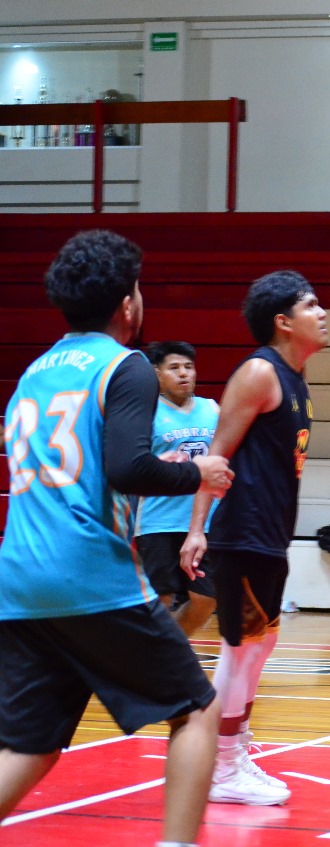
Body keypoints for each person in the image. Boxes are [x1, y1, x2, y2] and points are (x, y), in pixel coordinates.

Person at [0, 229, 233, 847]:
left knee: (29, 744)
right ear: (128, 303)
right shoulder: (123, 365)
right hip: (88, 572)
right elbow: (129, 467)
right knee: (198, 709)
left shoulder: (33, 372)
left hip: (19, 578)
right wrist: (199, 473)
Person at [180, 270, 327, 806]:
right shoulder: (260, 373)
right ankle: (223, 766)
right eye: (311, 305)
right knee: (239, 652)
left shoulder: (296, 379)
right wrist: (197, 528)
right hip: (243, 533)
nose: (323, 313)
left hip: (270, 535)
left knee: (260, 649)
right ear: (283, 321)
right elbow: (215, 455)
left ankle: (234, 752)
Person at [135, 341, 221, 635]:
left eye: (188, 367)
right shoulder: (145, 412)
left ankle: (168, 653)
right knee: (160, 598)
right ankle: (148, 655)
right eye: (174, 368)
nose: (184, 373)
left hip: (205, 523)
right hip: (158, 521)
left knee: (206, 599)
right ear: (157, 374)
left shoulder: (213, 409)